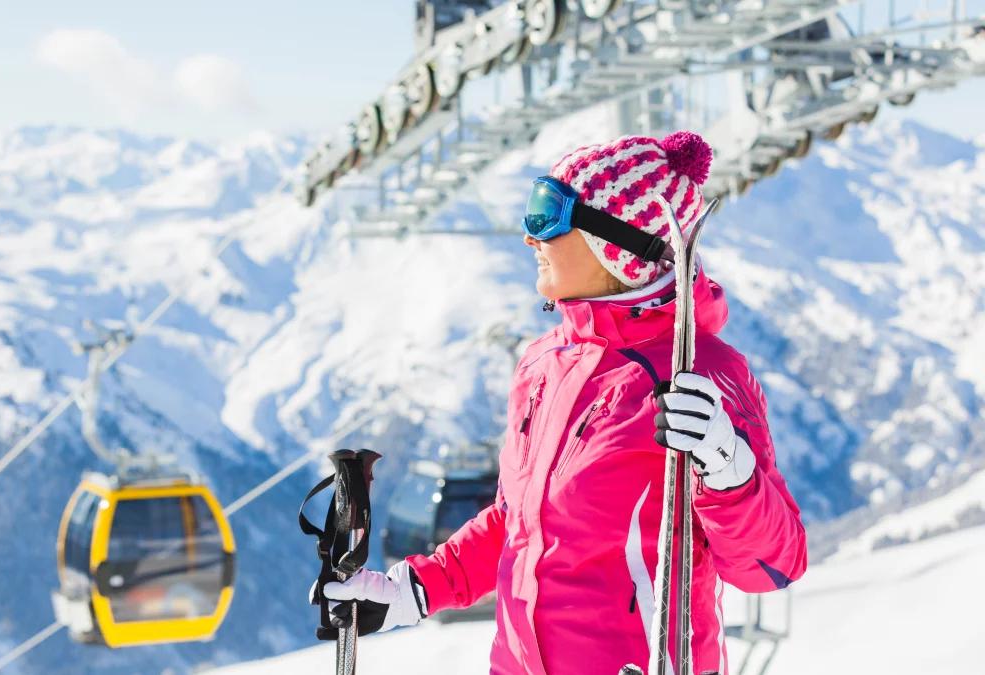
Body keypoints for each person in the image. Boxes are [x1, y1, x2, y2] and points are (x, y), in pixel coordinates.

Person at [314, 131, 808, 675]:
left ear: (615, 244)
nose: (530, 238)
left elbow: (774, 566)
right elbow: (517, 524)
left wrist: (728, 470)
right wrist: (412, 590)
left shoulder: (702, 372)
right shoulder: (544, 364)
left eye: (548, 217)